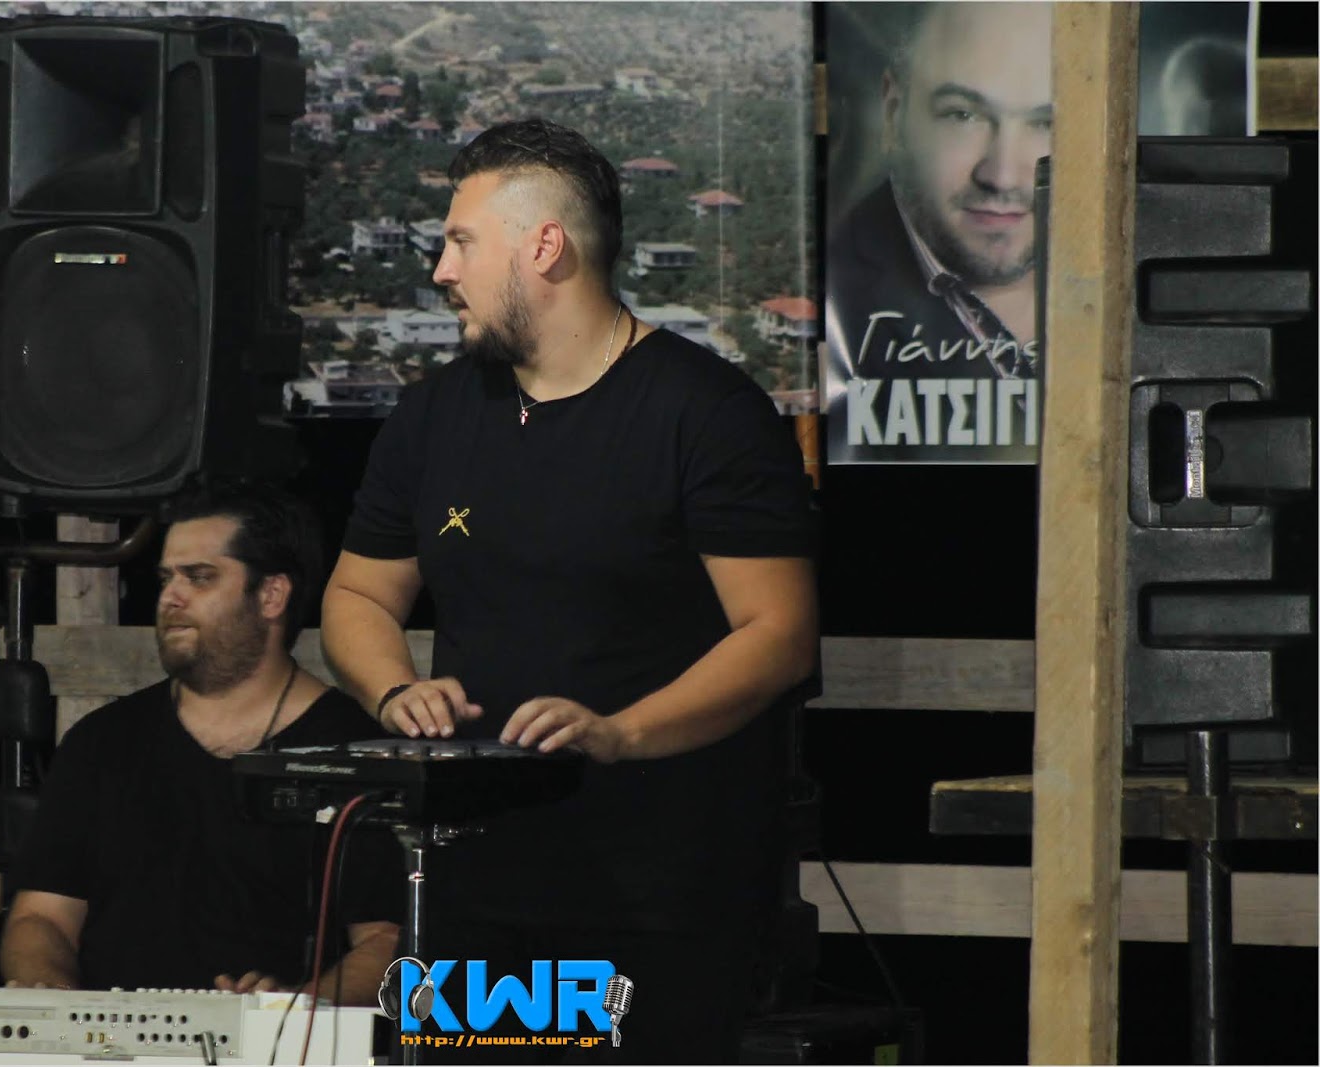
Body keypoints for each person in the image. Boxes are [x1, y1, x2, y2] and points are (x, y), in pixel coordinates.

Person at [322, 118, 818, 1062]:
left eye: (461, 242)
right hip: (471, 885)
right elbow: (357, 595)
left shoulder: (705, 411)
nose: (441, 270)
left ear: (544, 246)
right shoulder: (433, 413)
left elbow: (779, 633)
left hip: (654, 893)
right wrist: (394, 690)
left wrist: (620, 732)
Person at [0, 492, 399, 1003]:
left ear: (271, 595)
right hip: (113, 1041)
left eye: (200, 577)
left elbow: (387, 941)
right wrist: (56, 1007)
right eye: (166, 578)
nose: (171, 597)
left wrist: (293, 1009)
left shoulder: (357, 753)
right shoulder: (102, 741)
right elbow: (40, 918)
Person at [827, 2, 1051, 382]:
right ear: (893, 113)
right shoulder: (830, 292)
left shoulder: (1124, 268)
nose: (1002, 176)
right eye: (963, 115)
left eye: (1045, 123)